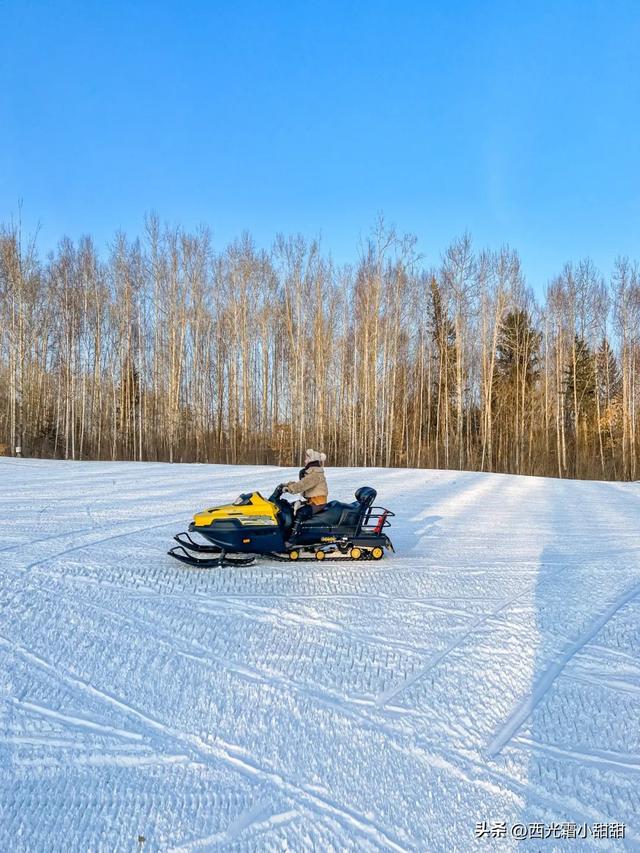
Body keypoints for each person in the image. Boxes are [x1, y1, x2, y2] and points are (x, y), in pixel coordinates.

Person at [282, 449, 328, 516]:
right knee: (290, 507)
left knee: (299, 513)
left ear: (311, 460)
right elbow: (302, 482)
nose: (304, 461)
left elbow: (303, 485)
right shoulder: (312, 472)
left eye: (306, 458)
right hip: (312, 502)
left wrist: (290, 489)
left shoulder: (315, 474)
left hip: (318, 503)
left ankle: (296, 527)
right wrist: (287, 485)